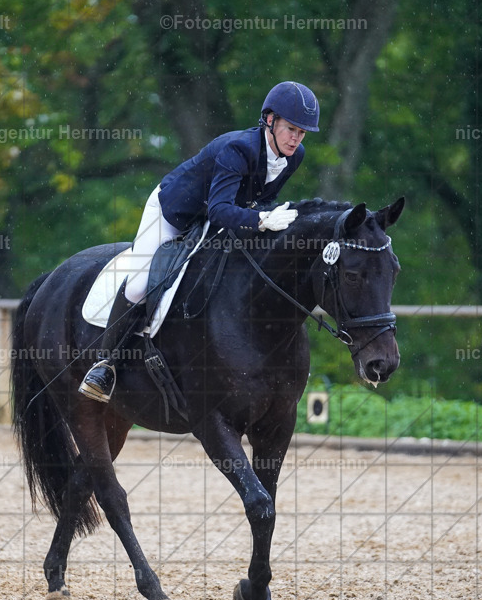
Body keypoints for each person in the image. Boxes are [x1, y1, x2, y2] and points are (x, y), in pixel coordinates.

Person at [78, 81, 320, 403]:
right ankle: (104, 365)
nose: (296, 139)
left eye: (302, 133)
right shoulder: (239, 148)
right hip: (174, 213)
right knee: (139, 284)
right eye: (292, 129)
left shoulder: (295, 155)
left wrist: (267, 216)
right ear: (271, 120)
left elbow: (261, 199)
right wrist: (260, 220)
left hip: (216, 216)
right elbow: (221, 210)